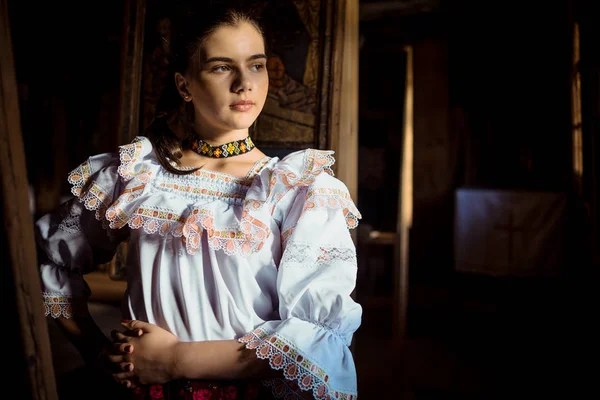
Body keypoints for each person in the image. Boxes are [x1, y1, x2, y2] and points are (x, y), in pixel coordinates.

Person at [35, 2, 362, 399]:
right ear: (184, 85)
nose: (245, 83)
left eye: (256, 65)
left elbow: (317, 339)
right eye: (222, 67)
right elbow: (52, 261)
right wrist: (97, 352)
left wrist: (174, 360)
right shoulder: (139, 174)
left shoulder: (297, 189)